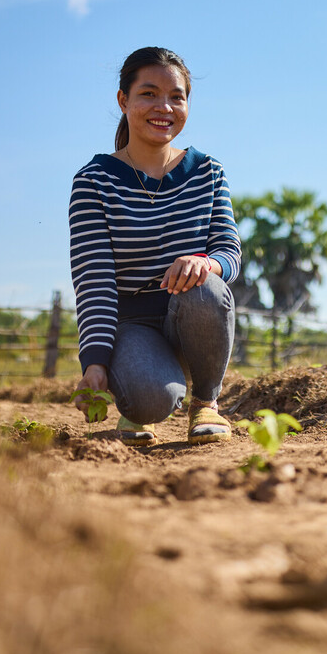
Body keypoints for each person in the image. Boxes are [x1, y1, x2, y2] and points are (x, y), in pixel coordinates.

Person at [68, 47, 242, 446]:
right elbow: (94, 281)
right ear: (123, 100)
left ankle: (204, 402)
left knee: (207, 288)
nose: (164, 106)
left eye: (176, 96)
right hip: (133, 326)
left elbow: (229, 252)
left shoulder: (208, 172)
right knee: (150, 400)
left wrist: (206, 264)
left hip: (195, 317)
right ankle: (142, 394)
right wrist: (94, 362)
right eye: (148, 94)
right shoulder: (94, 182)